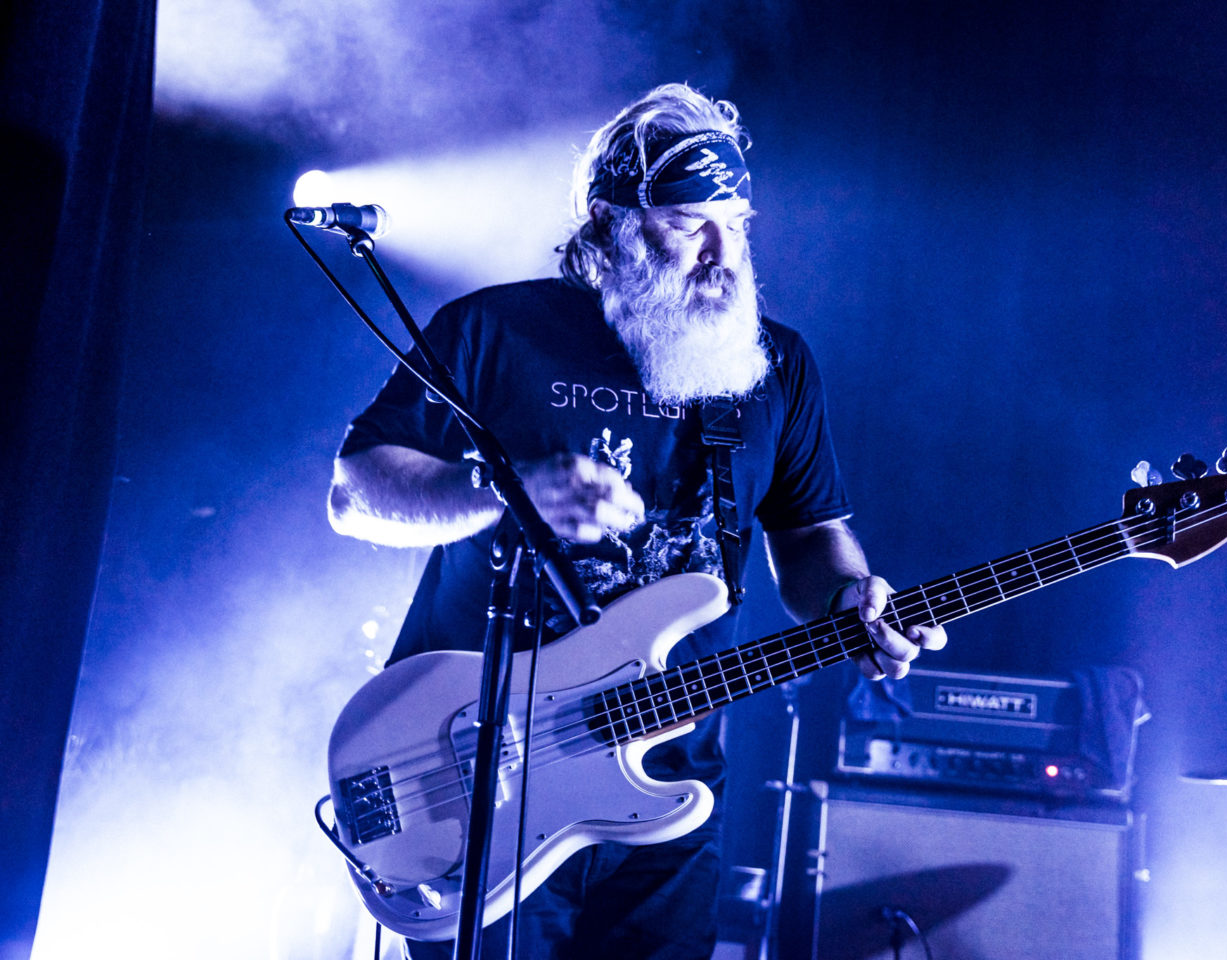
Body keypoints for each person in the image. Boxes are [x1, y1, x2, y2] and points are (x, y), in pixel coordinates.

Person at [328, 82, 947, 960]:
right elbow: (358, 493)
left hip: (668, 788)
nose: (719, 249)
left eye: (735, 219)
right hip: (484, 779)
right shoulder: (496, 330)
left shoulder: (774, 367)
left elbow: (808, 540)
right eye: (688, 219)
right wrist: (506, 491)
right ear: (610, 223)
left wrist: (853, 598)